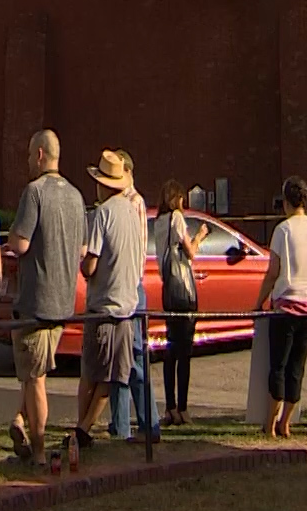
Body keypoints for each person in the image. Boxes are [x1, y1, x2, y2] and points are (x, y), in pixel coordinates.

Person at [5, 129, 85, 465]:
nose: (26, 161)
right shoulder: (77, 197)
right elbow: (82, 249)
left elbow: (20, 243)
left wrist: (10, 236)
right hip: (63, 301)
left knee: (35, 379)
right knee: (36, 370)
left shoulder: (34, 192)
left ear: (40, 155)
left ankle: (38, 451)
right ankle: (20, 421)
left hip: (36, 302)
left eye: (28, 155)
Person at [74, 150, 144, 449]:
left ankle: (81, 429)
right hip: (127, 306)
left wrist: (83, 261)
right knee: (113, 373)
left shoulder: (103, 214)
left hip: (102, 305)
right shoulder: (131, 210)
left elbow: (90, 265)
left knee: (90, 371)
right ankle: (85, 429)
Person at [253, 176, 307, 438]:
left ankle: (270, 424)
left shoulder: (283, 230)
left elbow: (273, 272)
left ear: (286, 202)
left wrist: (259, 300)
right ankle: (286, 422)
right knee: (297, 367)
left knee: (278, 367)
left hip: (287, 307)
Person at [107, 151, 157, 444]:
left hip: (131, 286)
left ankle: (144, 423)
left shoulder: (132, 203)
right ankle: (122, 422)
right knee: (123, 358)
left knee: (133, 358)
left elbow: (133, 251)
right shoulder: (125, 204)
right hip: (130, 286)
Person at [154, 180, 208, 426]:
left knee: (171, 350)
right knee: (184, 352)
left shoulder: (159, 222)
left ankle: (170, 407)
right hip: (183, 292)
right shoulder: (176, 218)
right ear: (177, 199)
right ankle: (183, 409)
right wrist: (200, 236)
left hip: (168, 291)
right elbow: (191, 251)